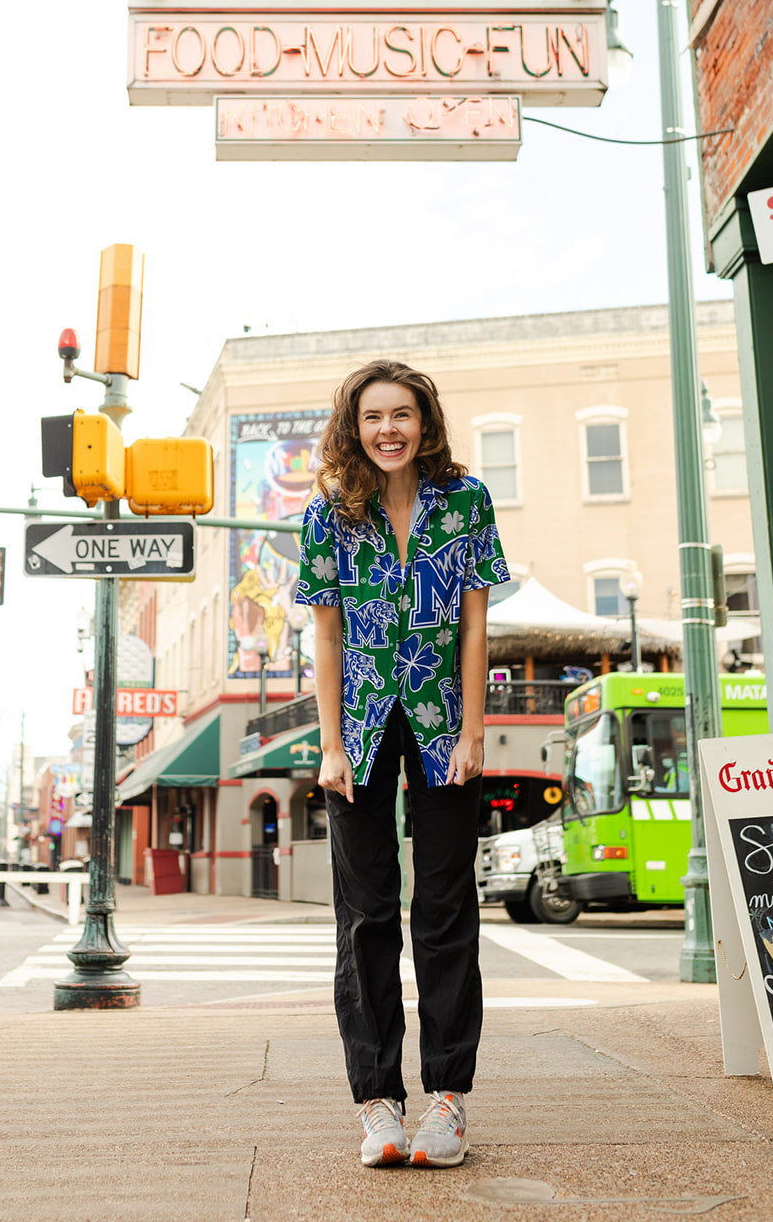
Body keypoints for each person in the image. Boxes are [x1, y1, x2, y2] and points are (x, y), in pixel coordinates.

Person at [296, 360, 507, 1170]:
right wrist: (330, 743)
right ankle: (377, 1101)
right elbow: (325, 633)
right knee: (365, 916)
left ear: (425, 422)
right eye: (372, 416)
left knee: (446, 913)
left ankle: (448, 1101)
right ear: (353, 426)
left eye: (402, 414)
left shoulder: (466, 502)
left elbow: (474, 626)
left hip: (443, 727)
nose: (388, 429)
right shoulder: (327, 513)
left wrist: (473, 731)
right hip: (355, 729)